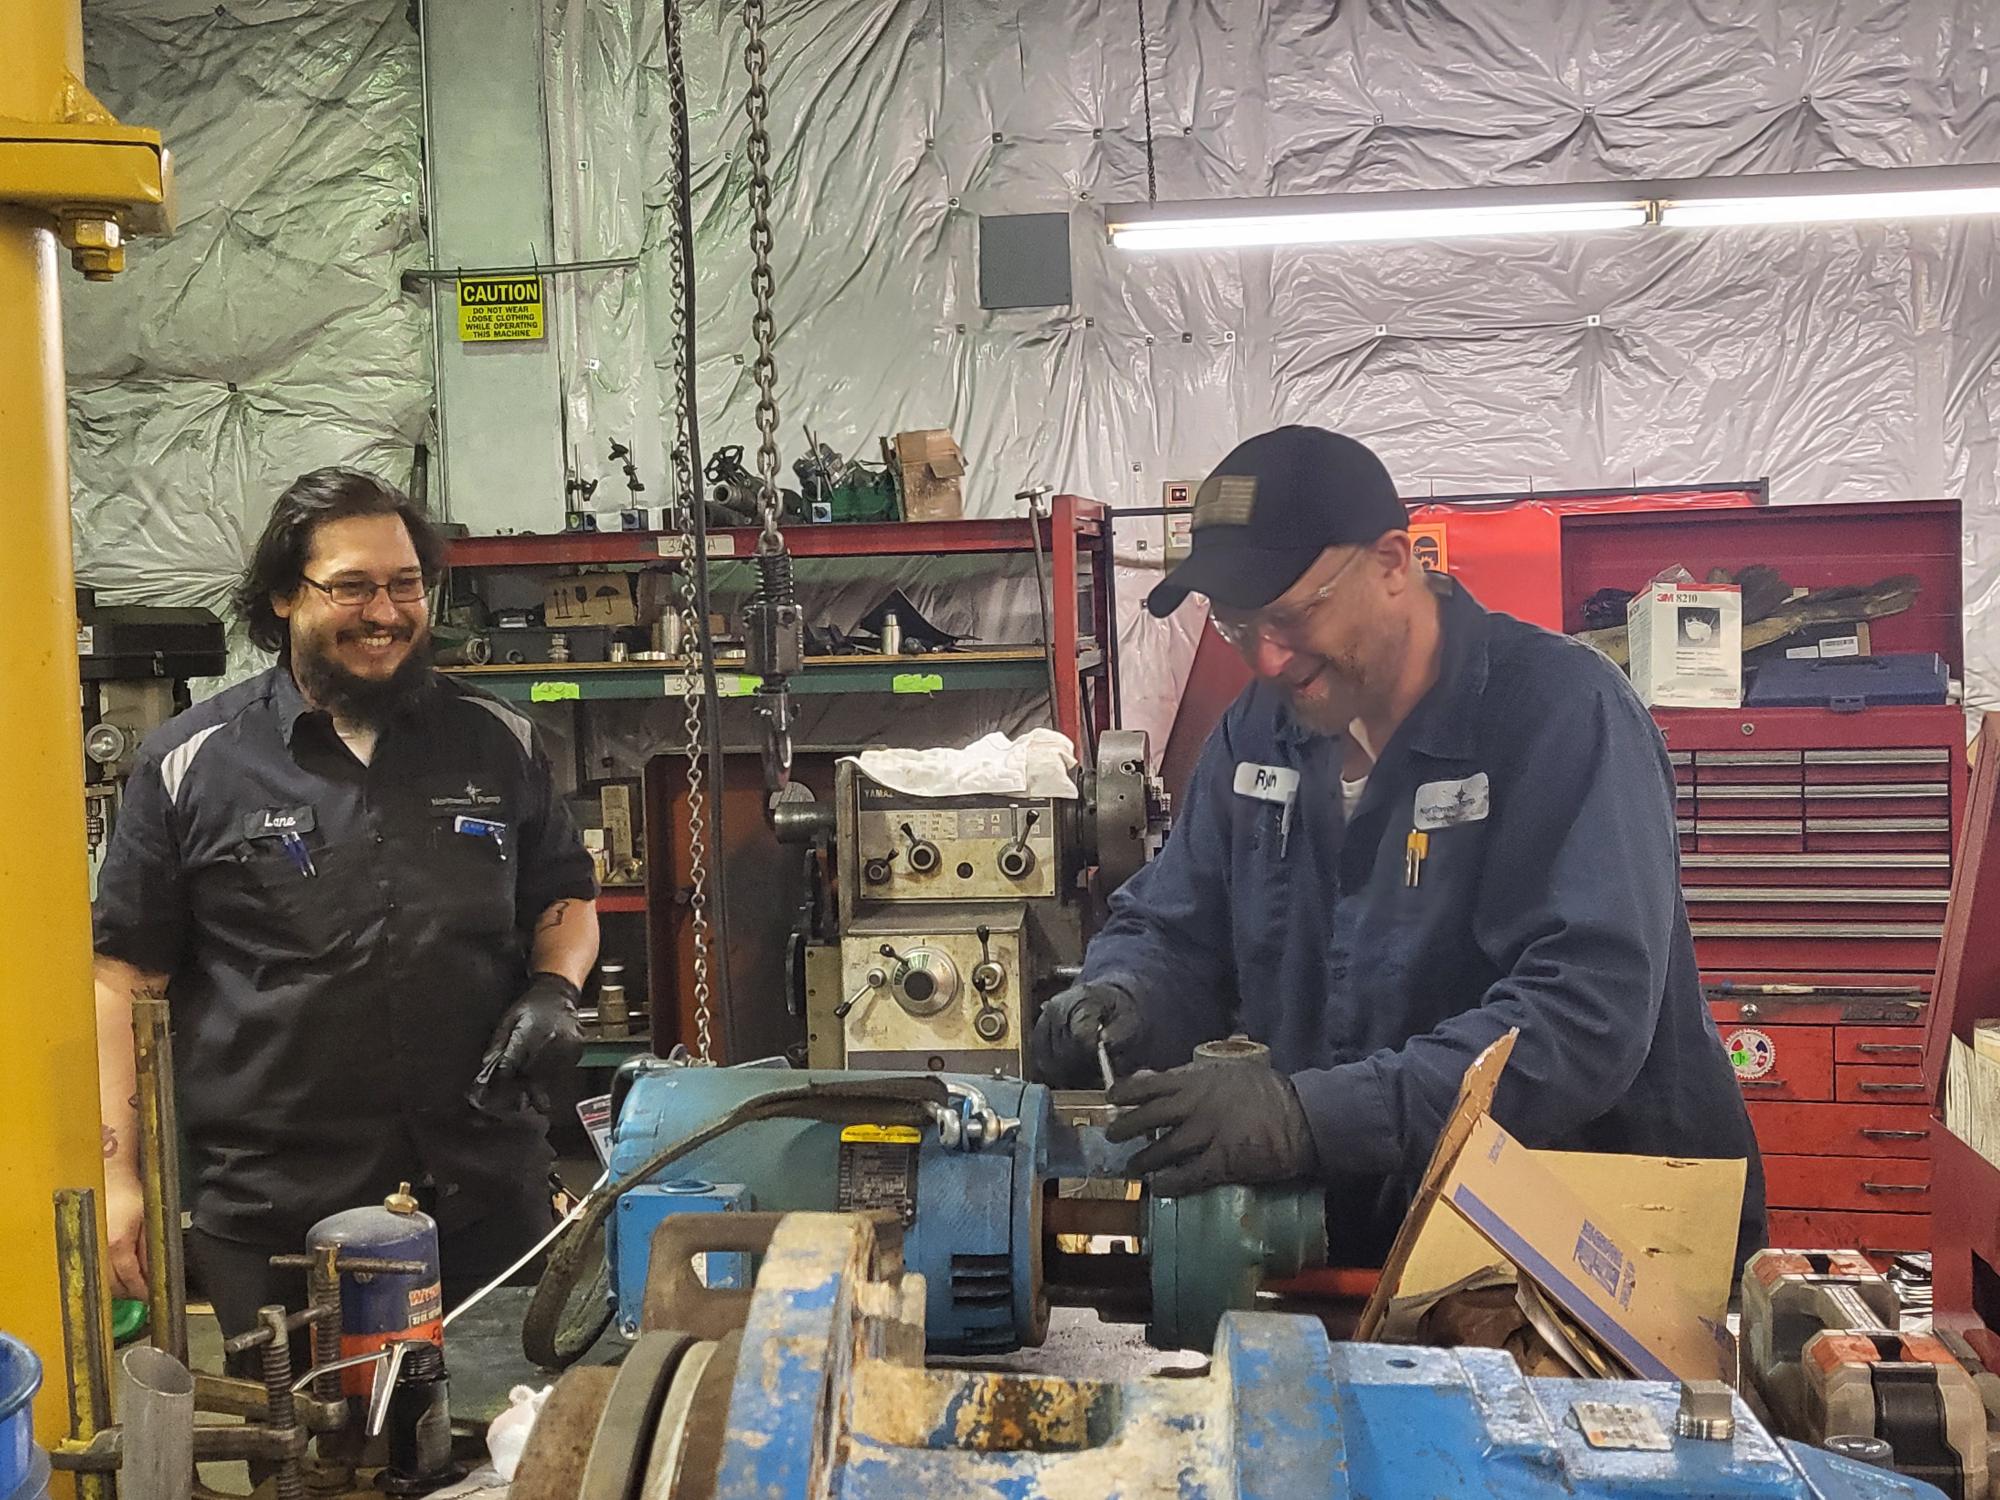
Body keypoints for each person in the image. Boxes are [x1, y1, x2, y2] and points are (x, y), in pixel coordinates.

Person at [1032, 426, 1766, 1269]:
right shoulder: (1260, 735)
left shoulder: (1562, 716)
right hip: (1371, 1244)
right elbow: (1177, 930)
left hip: (1598, 1249)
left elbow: (1582, 1017)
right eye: (1236, 628)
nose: (1265, 658)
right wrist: (1125, 997)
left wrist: (1310, 1119)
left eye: (1292, 614)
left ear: (1391, 562)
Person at [93, 467, 601, 1336]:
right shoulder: (192, 764)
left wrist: (556, 988)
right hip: (277, 1207)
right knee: (306, 1455)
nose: (386, 612)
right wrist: (119, 1178)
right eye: (353, 586)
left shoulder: (497, 739)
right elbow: (121, 979)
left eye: (407, 585)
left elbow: (566, 900)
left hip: (483, 1188)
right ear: (286, 597)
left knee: (504, 1447)